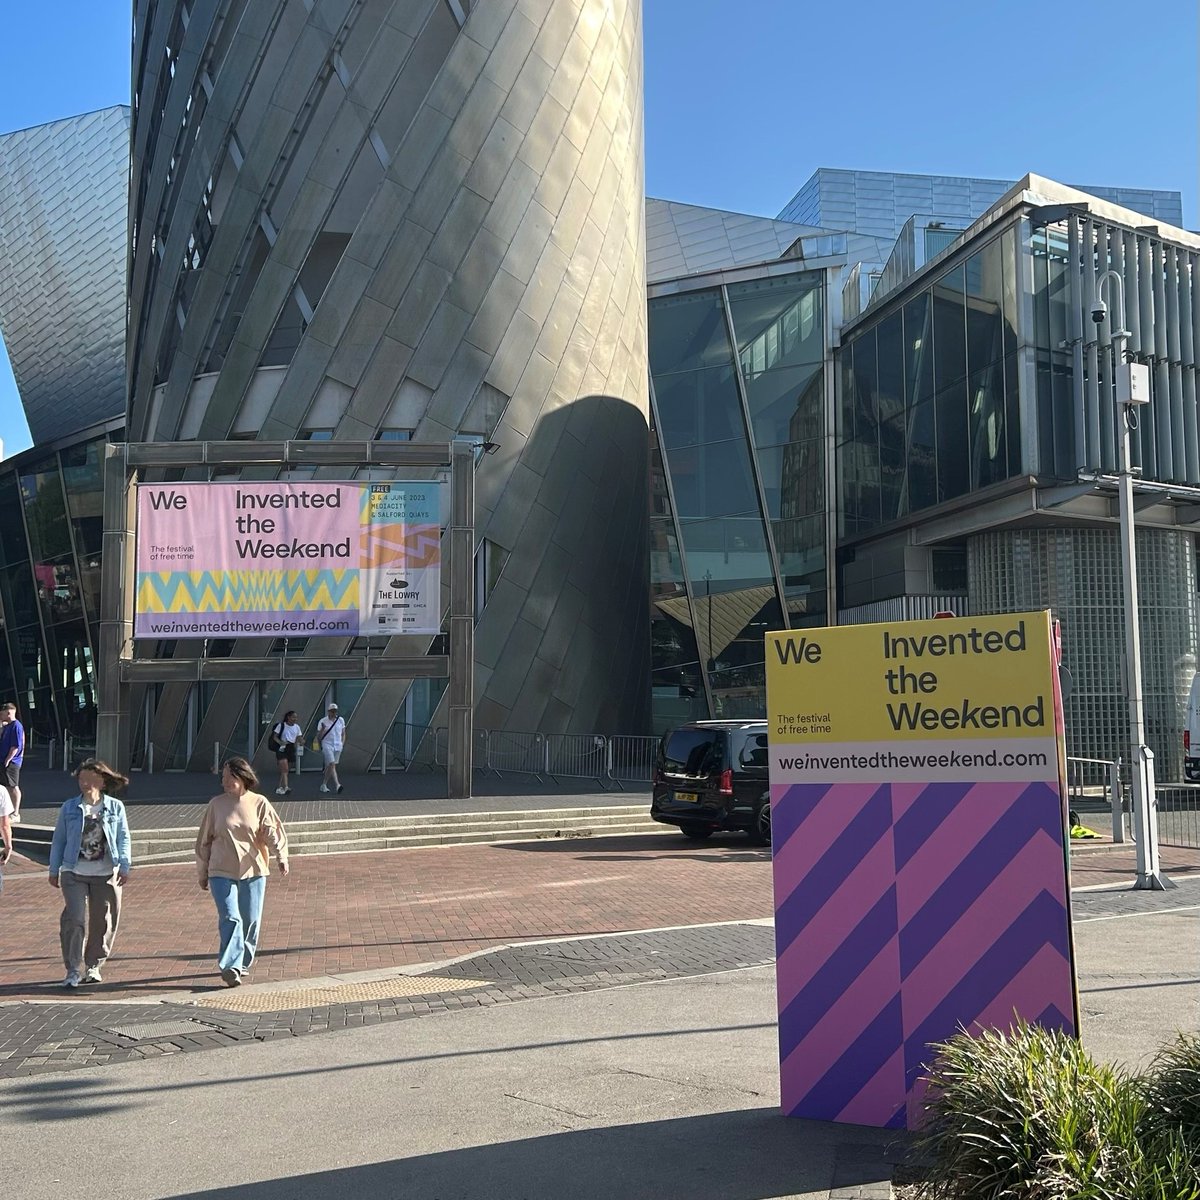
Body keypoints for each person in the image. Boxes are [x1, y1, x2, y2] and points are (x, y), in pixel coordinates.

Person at [195, 757, 289, 987]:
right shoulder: (216, 805)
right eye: (223, 777)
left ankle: (243, 961)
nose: (225, 781)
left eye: (230, 776)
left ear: (242, 777)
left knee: (250, 920)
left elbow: (272, 831)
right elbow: (203, 841)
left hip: (253, 870)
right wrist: (202, 872)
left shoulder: (259, 803)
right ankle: (230, 966)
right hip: (221, 870)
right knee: (231, 917)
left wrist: (281, 856)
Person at [48, 759, 132, 988]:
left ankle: (93, 965)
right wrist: (54, 869)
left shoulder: (115, 807)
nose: (84, 784)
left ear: (102, 782)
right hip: (73, 871)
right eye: (81, 779)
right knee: (74, 919)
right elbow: (59, 840)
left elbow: (123, 837)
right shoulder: (69, 807)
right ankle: (73, 970)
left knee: (102, 921)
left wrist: (125, 865)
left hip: (106, 872)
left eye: (89, 779)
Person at [0, 702, 25, 822]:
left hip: (11, 762)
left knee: (13, 786)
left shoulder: (16, 726)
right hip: (4, 761)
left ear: (8, 713)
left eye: (2, 713)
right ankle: (8, 811)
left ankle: (15, 813)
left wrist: (8, 759)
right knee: (5, 787)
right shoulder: (8, 726)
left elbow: (16, 745)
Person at [315, 704, 346, 794]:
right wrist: (322, 729)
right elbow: (319, 737)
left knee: (330, 766)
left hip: (337, 745)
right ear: (328, 711)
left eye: (335, 711)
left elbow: (343, 733)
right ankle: (337, 785)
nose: (334, 712)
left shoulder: (340, 720)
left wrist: (342, 743)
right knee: (332, 764)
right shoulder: (323, 721)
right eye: (332, 711)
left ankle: (324, 784)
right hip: (327, 744)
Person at [270, 710, 303, 796]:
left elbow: (299, 737)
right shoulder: (281, 725)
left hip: (291, 748)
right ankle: (286, 787)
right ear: (288, 717)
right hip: (282, 748)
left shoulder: (297, 727)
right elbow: (275, 737)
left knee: (285, 770)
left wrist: (302, 741)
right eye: (293, 717)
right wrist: (281, 742)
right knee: (284, 768)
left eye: (296, 717)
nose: (295, 719)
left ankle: (279, 787)